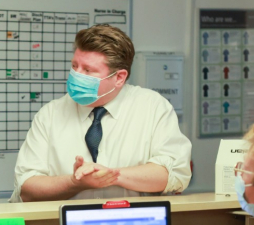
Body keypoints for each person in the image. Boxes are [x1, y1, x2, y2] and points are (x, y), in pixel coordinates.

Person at [10, 24, 191, 202]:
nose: (76, 75)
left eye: (87, 70)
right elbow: (26, 187)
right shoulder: (50, 114)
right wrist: (75, 182)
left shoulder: (152, 107)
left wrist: (110, 175)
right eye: (74, 66)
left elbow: (174, 174)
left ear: (119, 77)